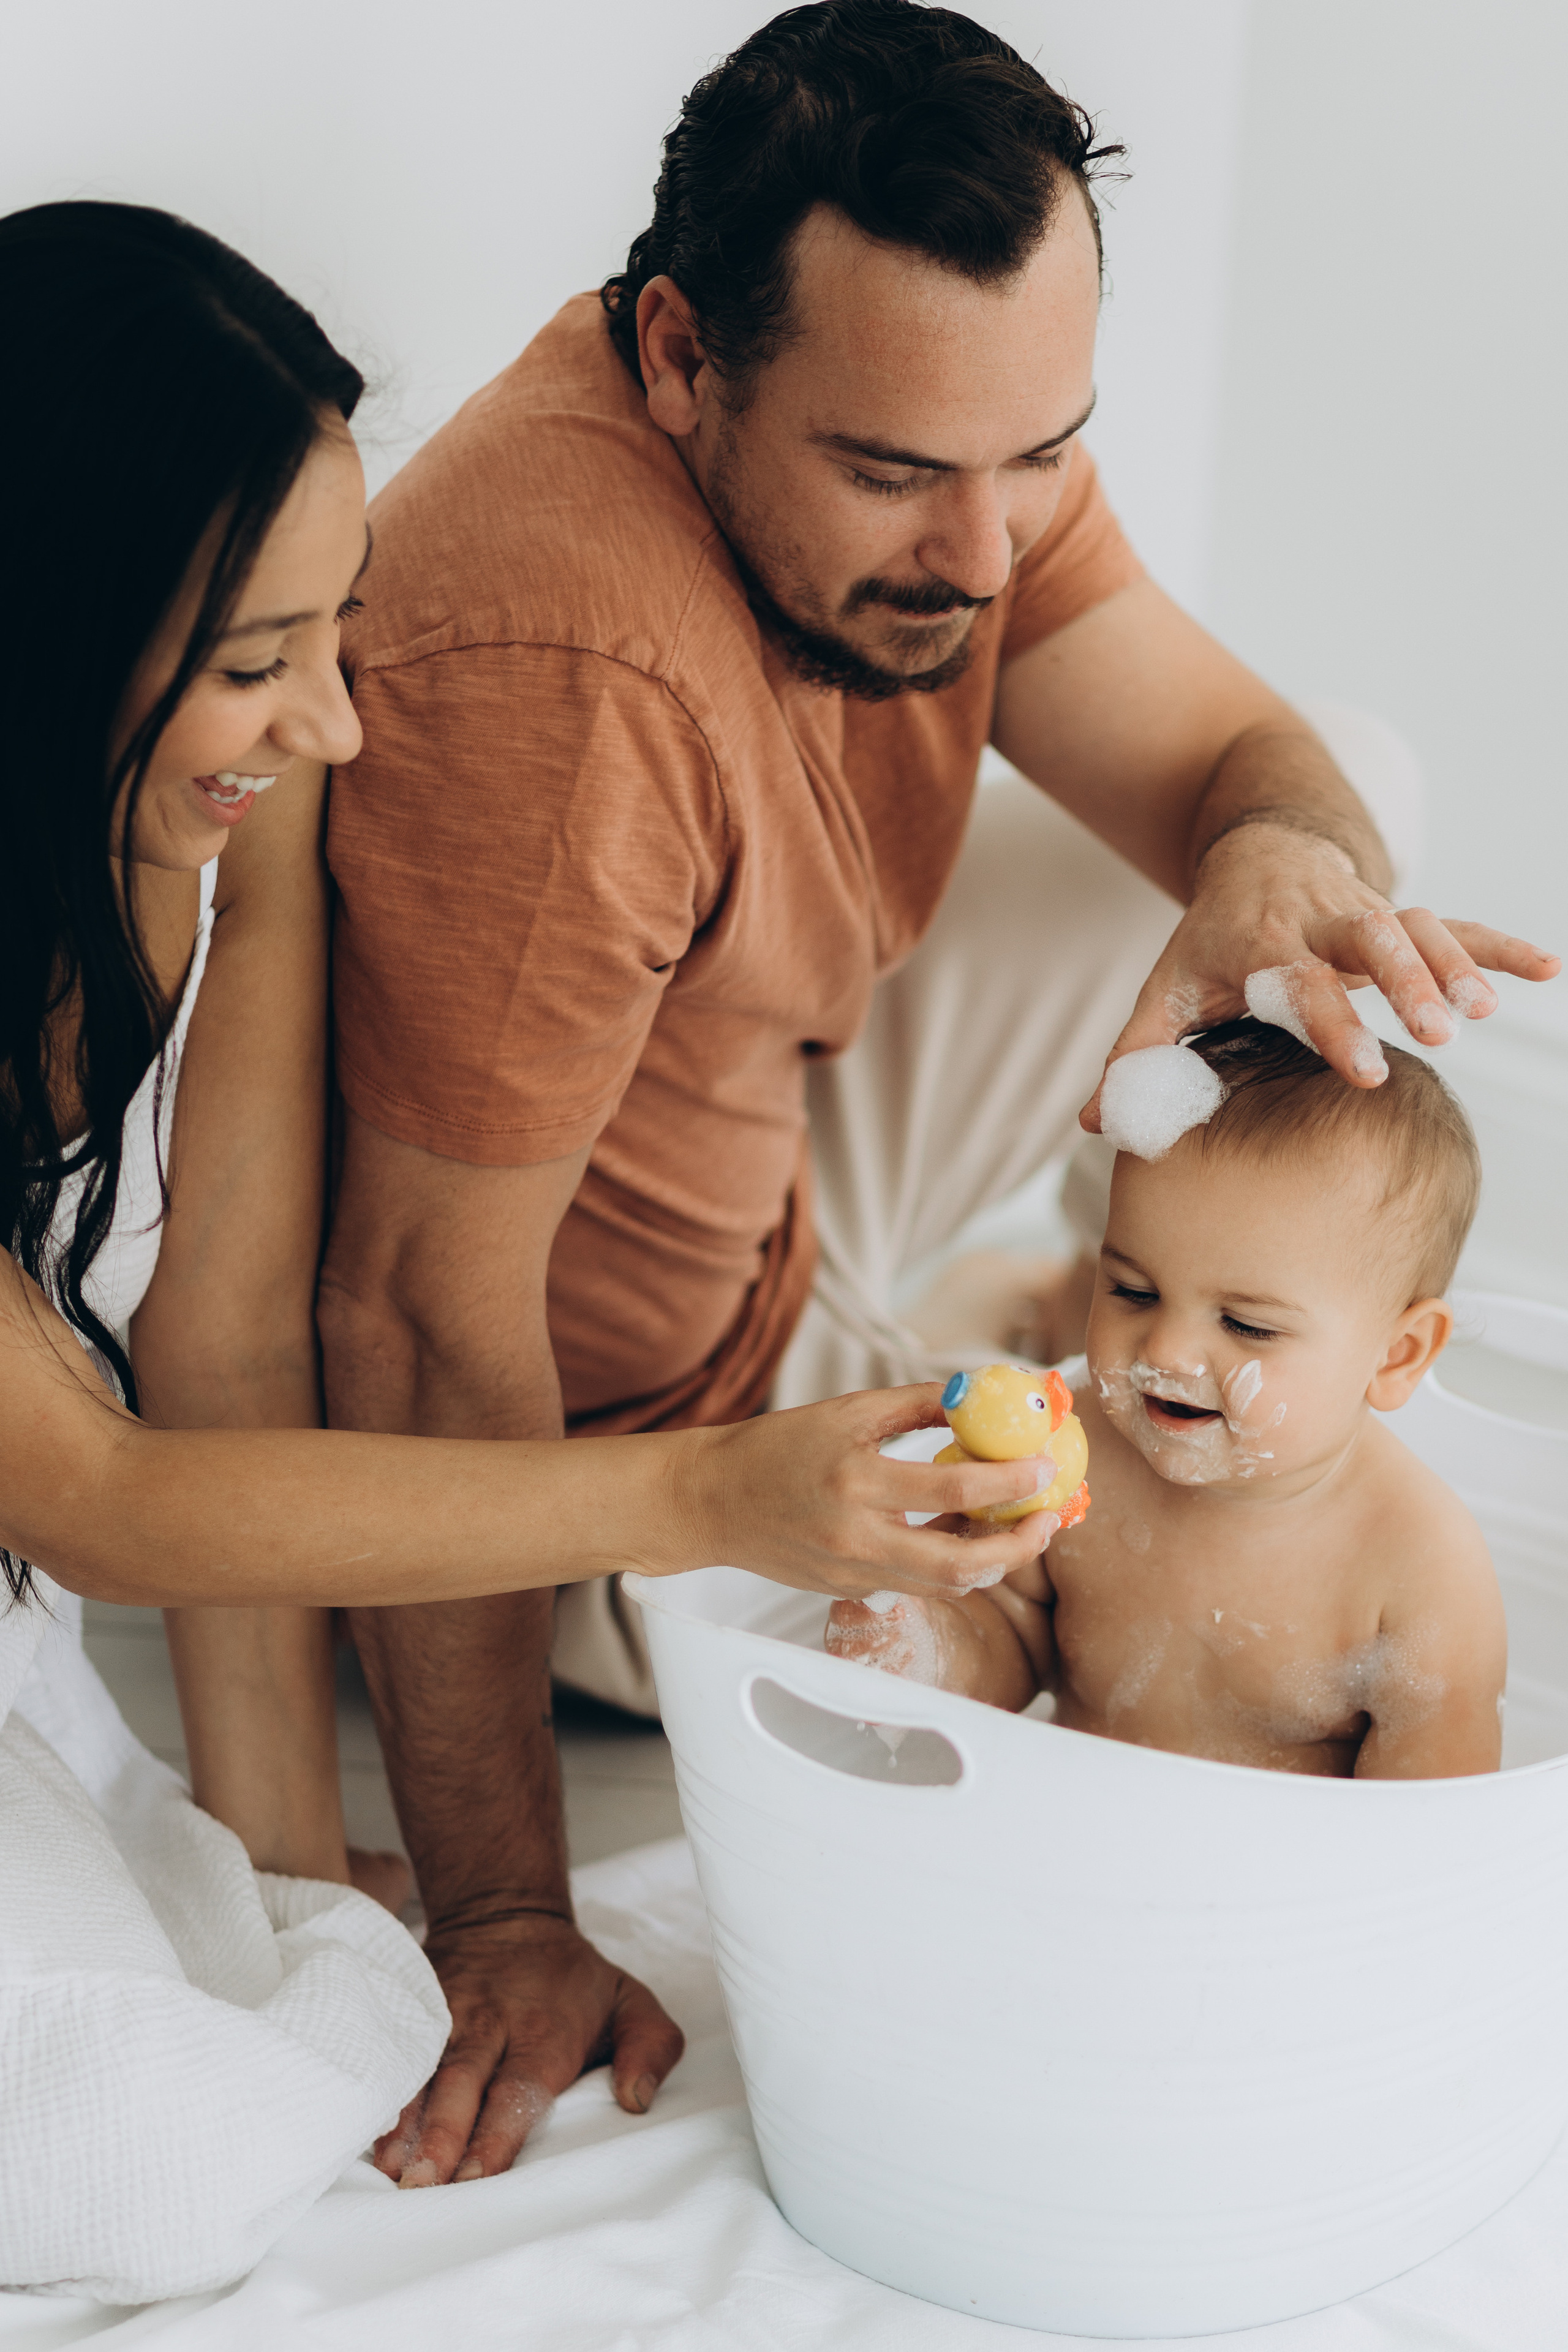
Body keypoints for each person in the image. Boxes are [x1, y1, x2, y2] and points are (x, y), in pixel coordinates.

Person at [318, 0, 1555, 2185]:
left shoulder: (934, 451)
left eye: (1039, 455)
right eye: (894, 477)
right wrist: (504, 1908)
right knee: (925, 1606)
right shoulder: (562, 674)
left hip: (754, 1103)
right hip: (614, 1433)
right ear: (684, 360)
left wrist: (1265, 866)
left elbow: (1223, 753)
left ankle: (973, 1281)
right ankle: (940, 1319)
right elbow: (415, 1327)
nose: (983, 555)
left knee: (1344, 789)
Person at [0, 192, 1052, 2275]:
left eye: (336, 624)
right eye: (255, 663)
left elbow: (221, 1346)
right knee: (137, 2165)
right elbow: (105, 1496)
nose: (339, 725)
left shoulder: (248, 799)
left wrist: (279, 1888)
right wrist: (710, 1500)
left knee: (235, 2028)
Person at [827, 1020, 1506, 1778]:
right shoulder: (1072, 1454)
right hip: (1074, 1847)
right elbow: (1016, 1637)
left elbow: (1425, 1835)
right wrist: (922, 1648)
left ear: (1397, 1355)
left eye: (1245, 1325)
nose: (1165, 1353)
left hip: (1282, 1893)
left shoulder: (1416, 1564)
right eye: (1131, 1290)